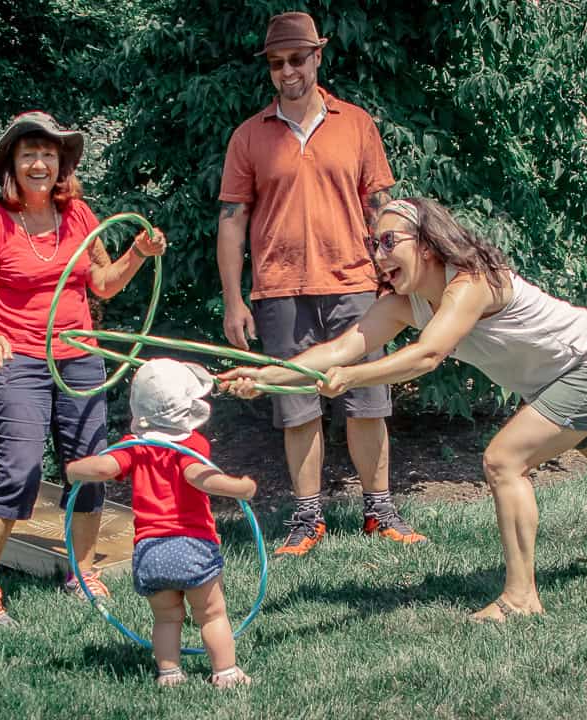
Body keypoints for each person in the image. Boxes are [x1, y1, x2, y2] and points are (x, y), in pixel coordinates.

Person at [219, 197, 587, 621]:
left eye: (389, 241)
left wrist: (353, 379)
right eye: (372, 243)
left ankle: (520, 597)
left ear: (428, 243)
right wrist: (264, 378)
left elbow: (427, 355)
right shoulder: (404, 304)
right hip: (567, 377)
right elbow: (337, 351)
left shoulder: (472, 281)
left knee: (504, 461)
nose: (378, 254)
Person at [217, 11, 426, 557]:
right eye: (276, 62)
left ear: (317, 57)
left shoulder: (355, 124)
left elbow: (381, 208)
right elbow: (232, 221)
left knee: (368, 402)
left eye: (297, 59)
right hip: (279, 289)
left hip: (355, 283)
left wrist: (393, 275)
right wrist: (234, 300)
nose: (287, 71)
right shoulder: (248, 136)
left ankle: (380, 510)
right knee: (297, 408)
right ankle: (307, 518)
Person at [0, 111, 168, 626]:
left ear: (61, 164)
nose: (39, 163)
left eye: (48, 154)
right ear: (12, 165)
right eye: (29, 153)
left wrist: (139, 253)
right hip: (18, 360)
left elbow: (104, 284)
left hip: (78, 357)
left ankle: (82, 573)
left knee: (90, 468)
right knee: (20, 471)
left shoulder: (79, 216)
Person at [67, 358, 257, 688]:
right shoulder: (192, 445)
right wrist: (238, 488)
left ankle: (169, 674)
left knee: (167, 617)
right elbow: (199, 476)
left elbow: (104, 468)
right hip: (192, 545)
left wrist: (73, 470)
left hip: (150, 551)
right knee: (211, 613)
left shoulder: (135, 445)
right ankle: (225, 672)